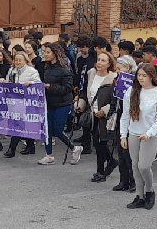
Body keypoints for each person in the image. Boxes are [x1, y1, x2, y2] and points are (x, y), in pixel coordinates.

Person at [120, 63, 157, 210]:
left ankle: (149, 191)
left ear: (152, 76)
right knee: (134, 166)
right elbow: (125, 115)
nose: (140, 78)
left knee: (144, 166)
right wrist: (123, 135)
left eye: (144, 76)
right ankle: (139, 196)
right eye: (139, 75)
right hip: (133, 133)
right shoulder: (131, 91)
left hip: (151, 135)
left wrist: (149, 133)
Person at [35, 42, 83, 164]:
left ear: (55, 54)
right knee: (47, 130)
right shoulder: (45, 67)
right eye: (44, 52)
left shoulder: (64, 70)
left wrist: (50, 87)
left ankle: (74, 148)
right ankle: (49, 154)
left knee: (57, 130)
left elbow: (67, 88)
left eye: (47, 52)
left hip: (62, 104)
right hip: (49, 102)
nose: (44, 54)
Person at [0, 51, 42, 157]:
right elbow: (9, 84)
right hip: (14, 102)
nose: (17, 62)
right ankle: (31, 146)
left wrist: (31, 83)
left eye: (20, 60)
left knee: (18, 125)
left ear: (25, 61)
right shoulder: (12, 70)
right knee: (22, 125)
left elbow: (39, 85)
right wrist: (4, 81)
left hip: (26, 103)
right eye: (16, 60)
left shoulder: (32, 71)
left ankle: (11, 149)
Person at [86, 51, 118, 181]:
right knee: (96, 143)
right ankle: (111, 161)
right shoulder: (90, 74)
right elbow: (85, 92)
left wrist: (104, 111)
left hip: (105, 116)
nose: (99, 62)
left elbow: (114, 100)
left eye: (103, 60)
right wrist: (81, 105)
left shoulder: (113, 79)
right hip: (92, 114)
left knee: (101, 143)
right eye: (98, 59)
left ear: (109, 64)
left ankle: (100, 172)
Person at [110, 56, 137, 192]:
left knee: (129, 153)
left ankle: (134, 181)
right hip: (120, 116)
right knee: (120, 150)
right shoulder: (117, 81)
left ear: (128, 68)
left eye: (120, 68)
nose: (117, 71)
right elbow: (114, 97)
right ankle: (123, 180)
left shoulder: (136, 82)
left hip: (132, 117)